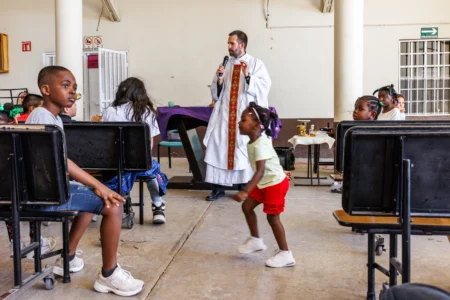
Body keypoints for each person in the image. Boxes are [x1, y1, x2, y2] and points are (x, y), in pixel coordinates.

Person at [26, 66, 144, 296]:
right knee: (114, 204)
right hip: (45, 195)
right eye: (66, 85)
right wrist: (97, 184)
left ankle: (67, 258)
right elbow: (61, 160)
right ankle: (109, 274)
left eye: (75, 88)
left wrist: (94, 186)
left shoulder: (48, 117)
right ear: (46, 89)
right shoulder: (43, 117)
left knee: (95, 199)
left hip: (42, 190)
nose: (72, 92)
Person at [204, 30, 272, 201]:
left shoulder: (256, 64)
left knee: (242, 150)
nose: (229, 46)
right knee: (218, 147)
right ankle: (217, 187)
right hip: (224, 116)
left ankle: (244, 186)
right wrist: (219, 80)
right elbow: (216, 93)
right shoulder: (225, 64)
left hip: (244, 117)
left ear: (242, 45)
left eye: (232, 43)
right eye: (228, 43)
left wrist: (248, 75)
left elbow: (264, 87)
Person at [232, 102, 295, 268]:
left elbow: (259, 171)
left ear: (256, 125)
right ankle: (255, 241)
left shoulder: (260, 144)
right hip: (265, 183)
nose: (239, 122)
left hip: (274, 184)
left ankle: (285, 254)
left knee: (272, 218)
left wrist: (245, 191)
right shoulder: (253, 142)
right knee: (247, 207)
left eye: (243, 119)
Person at [102, 77, 168, 224]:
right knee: (154, 172)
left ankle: (120, 202)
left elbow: (105, 141)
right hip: (141, 164)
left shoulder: (110, 111)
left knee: (116, 175)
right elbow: (149, 144)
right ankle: (158, 206)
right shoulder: (147, 113)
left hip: (116, 166)